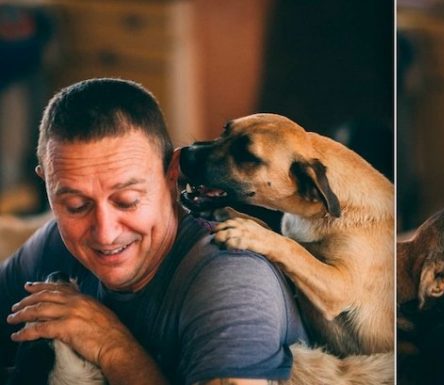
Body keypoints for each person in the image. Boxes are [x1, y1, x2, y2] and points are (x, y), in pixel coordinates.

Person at [0, 78, 307, 384]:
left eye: (127, 201)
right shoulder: (55, 245)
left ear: (172, 173)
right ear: (47, 184)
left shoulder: (232, 277)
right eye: (76, 205)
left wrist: (112, 347)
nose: (105, 233)